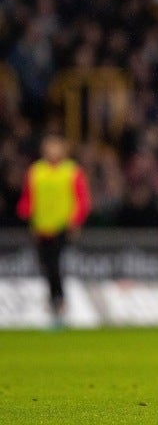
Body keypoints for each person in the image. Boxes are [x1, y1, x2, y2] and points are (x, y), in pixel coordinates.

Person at [16, 132, 91, 328]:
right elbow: (28, 198)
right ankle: (55, 302)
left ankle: (58, 303)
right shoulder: (36, 171)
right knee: (47, 266)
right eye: (49, 146)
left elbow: (82, 200)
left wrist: (75, 221)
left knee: (55, 265)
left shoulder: (72, 171)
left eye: (55, 146)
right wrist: (26, 217)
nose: (52, 150)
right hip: (41, 228)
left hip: (62, 227)